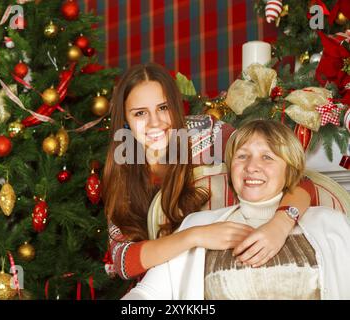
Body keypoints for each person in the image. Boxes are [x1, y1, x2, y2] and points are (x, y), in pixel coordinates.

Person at [102, 62, 314, 281]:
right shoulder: (121, 169)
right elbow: (123, 260)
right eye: (140, 113)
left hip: (232, 270)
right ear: (125, 121)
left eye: (163, 108)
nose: (155, 123)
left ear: (175, 107)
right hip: (166, 287)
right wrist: (195, 235)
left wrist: (279, 226)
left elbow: (299, 179)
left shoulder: (208, 134)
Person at [122, 119, 350, 300]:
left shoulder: (332, 224)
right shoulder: (198, 225)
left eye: (267, 157)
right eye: (242, 156)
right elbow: (148, 294)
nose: (252, 167)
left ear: (289, 170)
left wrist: (280, 224)